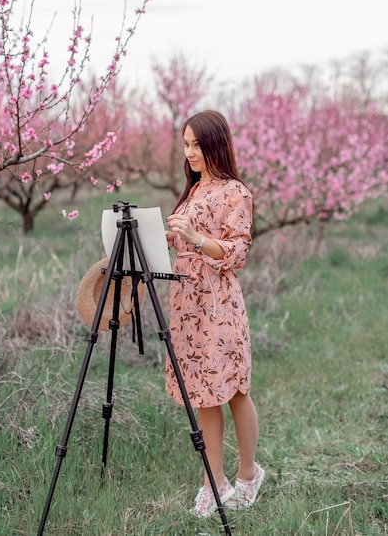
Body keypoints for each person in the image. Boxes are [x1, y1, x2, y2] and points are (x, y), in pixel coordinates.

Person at [165, 109, 264, 519]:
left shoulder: (234, 192)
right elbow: (187, 244)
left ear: (214, 144)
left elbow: (237, 252)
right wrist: (168, 235)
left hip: (218, 306)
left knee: (235, 390)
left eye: (195, 144)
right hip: (187, 305)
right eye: (185, 143)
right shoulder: (194, 189)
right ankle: (213, 481)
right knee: (203, 393)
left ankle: (248, 476)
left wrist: (196, 237)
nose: (188, 152)